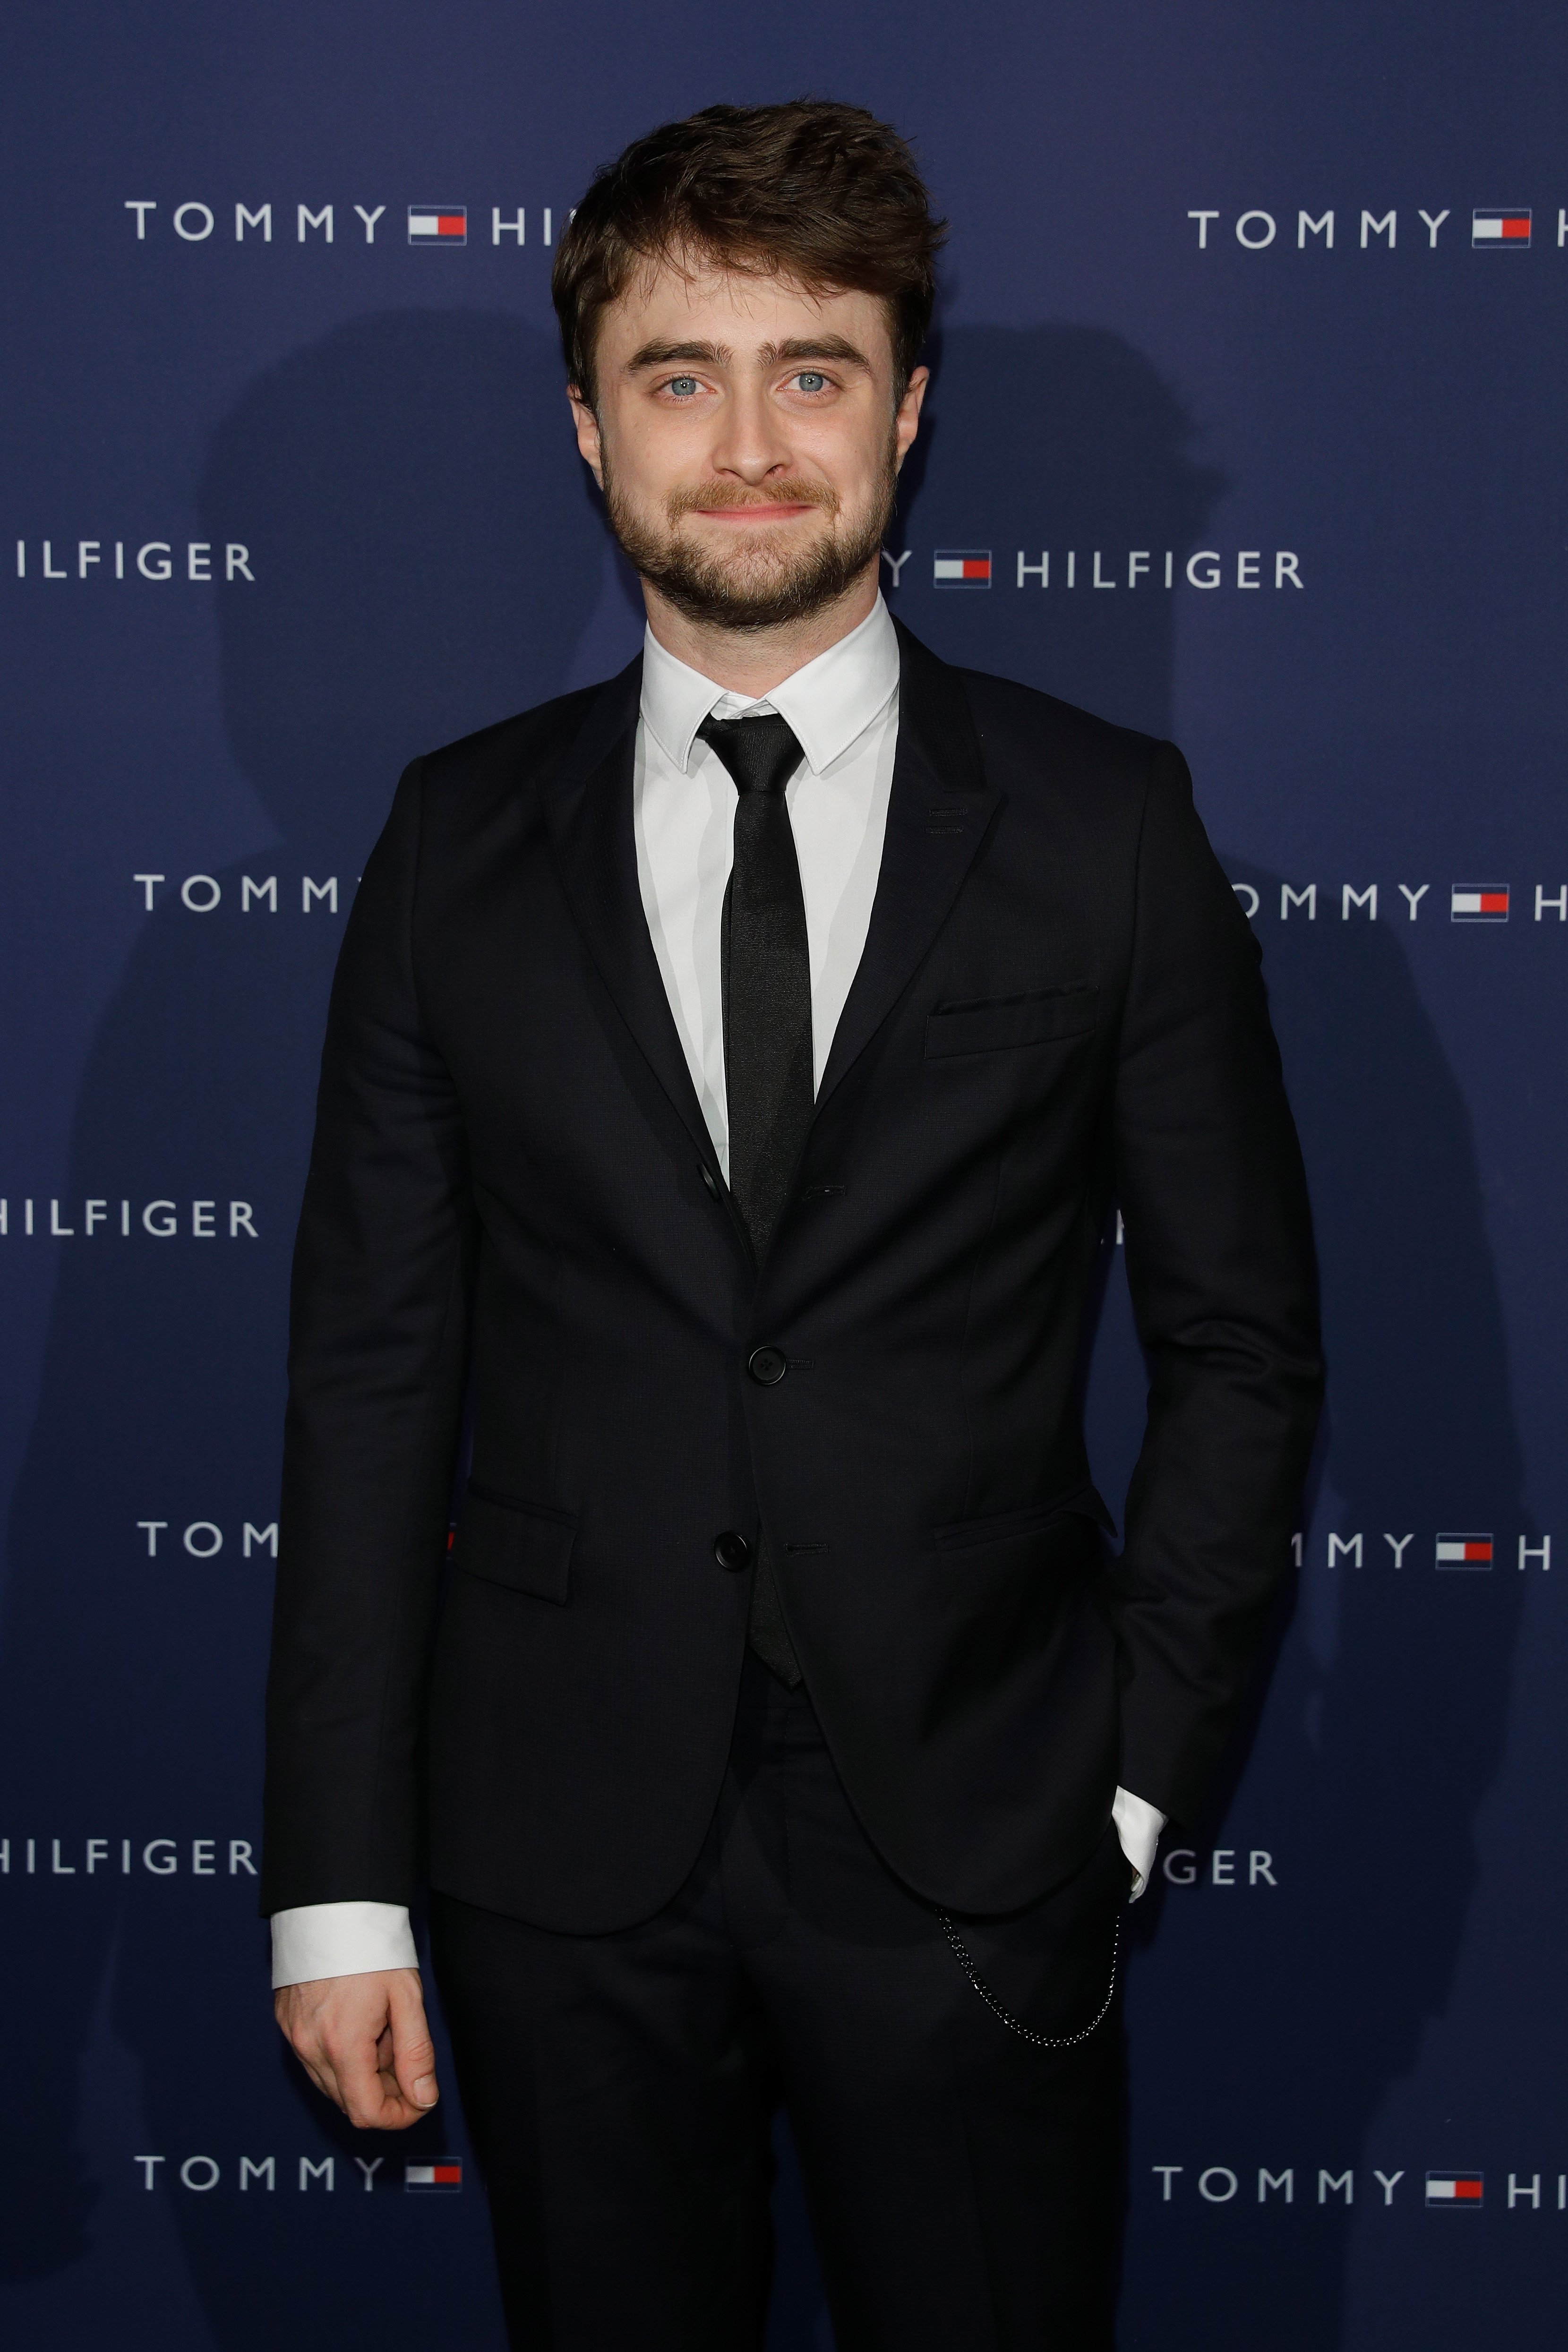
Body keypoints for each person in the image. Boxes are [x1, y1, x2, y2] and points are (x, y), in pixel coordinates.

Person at [263, 98, 1322, 2350]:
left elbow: (1242, 1343)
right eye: (680, 373)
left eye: (811, 370)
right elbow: (371, 1377)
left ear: (906, 409)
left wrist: (1122, 1786)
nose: (749, 443)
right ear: (585, 425)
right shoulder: (453, 843)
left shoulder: (1098, 829)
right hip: (556, 1860)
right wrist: (336, 1884)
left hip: (976, 1838)